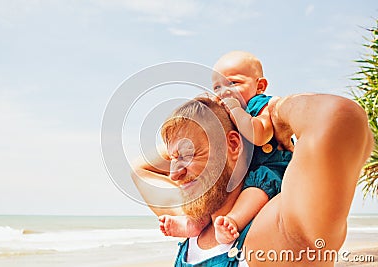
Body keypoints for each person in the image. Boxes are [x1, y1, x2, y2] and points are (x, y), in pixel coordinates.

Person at [131, 94, 373, 266]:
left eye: (187, 154)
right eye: (172, 158)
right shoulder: (193, 227)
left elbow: (340, 117)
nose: (173, 174)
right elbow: (139, 170)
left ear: (233, 144)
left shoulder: (276, 231)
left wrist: (274, 113)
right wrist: (195, 123)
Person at [158, 51, 293, 244]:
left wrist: (237, 112)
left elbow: (260, 135)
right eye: (217, 87)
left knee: (256, 189)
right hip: (244, 171)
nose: (224, 92)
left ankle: (233, 221)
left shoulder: (259, 105)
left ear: (260, 86)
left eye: (234, 83)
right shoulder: (228, 111)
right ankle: (193, 225)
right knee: (205, 196)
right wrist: (190, 136)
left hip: (269, 167)